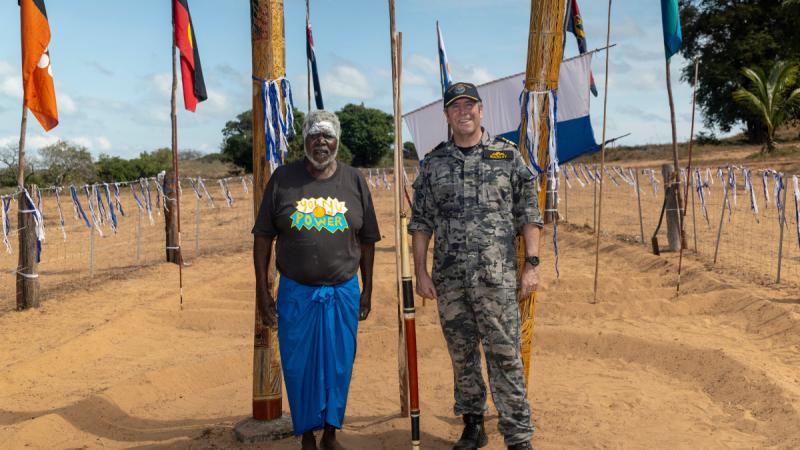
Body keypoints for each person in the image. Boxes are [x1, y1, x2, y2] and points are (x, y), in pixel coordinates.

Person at [408, 82, 542, 450]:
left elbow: (529, 214)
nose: (463, 112)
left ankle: (517, 435)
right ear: (447, 115)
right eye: (455, 107)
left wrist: (531, 264)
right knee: (462, 354)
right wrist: (420, 271)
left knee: (505, 355)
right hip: (450, 281)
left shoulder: (507, 156)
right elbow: (420, 223)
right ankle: (473, 424)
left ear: (482, 110)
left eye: (470, 105)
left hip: (496, 280)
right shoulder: (434, 163)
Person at [252, 110, 381, 450]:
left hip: (343, 293)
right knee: (299, 366)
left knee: (338, 366)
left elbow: (367, 240)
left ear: (337, 141)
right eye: (314, 135)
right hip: (297, 293)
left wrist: (367, 291)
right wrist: (263, 293)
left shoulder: (354, 181)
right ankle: (307, 435)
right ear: (305, 140)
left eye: (328, 136)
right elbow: (263, 238)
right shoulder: (283, 179)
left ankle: (331, 434)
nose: (321, 142)